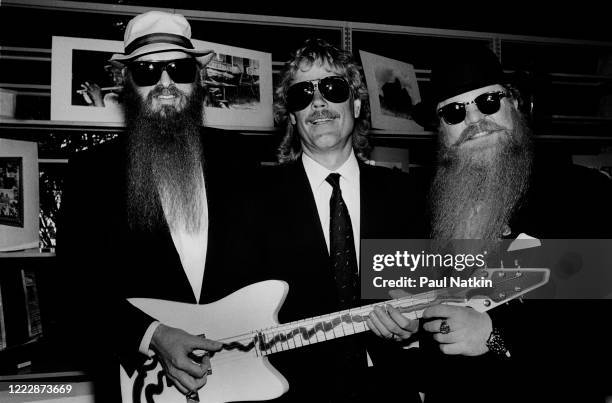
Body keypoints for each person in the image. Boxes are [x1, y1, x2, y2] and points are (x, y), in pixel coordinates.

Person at [368, 45, 612, 402]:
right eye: (453, 112)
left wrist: (494, 335)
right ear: (441, 131)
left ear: (513, 104)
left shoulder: (582, 195)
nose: (473, 121)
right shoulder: (420, 212)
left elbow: (599, 342)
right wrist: (404, 335)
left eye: (488, 101)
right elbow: (425, 359)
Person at [57, 11, 257, 401]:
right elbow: (72, 293)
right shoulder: (91, 172)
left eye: (179, 69)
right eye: (148, 71)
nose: (166, 84)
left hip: (240, 375)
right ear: (127, 82)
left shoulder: (239, 157)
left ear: (197, 79)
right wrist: (153, 335)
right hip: (141, 384)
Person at [251, 38, 426, 402]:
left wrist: (414, 324)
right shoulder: (255, 201)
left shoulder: (405, 196)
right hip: (293, 393)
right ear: (291, 115)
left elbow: (421, 295)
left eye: (332, 88)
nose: (318, 102)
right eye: (302, 94)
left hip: (391, 390)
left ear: (357, 103)